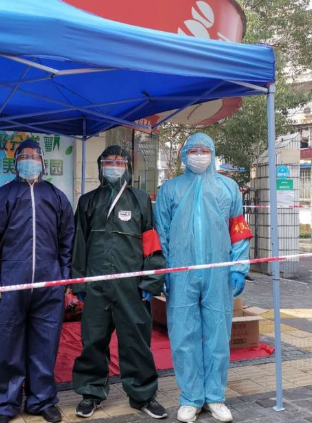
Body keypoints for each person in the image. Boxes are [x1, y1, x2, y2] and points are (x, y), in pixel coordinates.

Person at [154, 133, 251, 423]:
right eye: (193, 150)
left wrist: (238, 267)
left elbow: (239, 230)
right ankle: (191, 398)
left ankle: (215, 397)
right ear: (184, 154)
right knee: (183, 335)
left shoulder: (229, 188)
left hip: (218, 272)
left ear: (213, 153)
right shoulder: (169, 190)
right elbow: (161, 233)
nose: (199, 155)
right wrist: (164, 270)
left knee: (218, 334)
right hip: (181, 272)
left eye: (204, 150)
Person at [0, 138, 75, 423]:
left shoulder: (56, 197)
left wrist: (64, 278)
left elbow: (68, 240)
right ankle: (4, 404)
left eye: (34, 156)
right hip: (11, 282)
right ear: (15, 162)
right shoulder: (1, 196)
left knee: (45, 343)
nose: (29, 160)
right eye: (24, 156)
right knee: (7, 344)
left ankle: (41, 400)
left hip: (49, 283)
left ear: (42, 162)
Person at [71, 145, 167, 420]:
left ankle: (143, 395)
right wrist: (79, 283)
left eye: (119, 161)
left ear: (127, 166)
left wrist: (150, 281)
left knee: (136, 342)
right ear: (100, 165)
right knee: (93, 340)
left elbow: (152, 243)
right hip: (96, 285)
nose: (114, 165)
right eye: (108, 161)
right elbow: (79, 245)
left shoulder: (140, 200)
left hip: (131, 287)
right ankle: (91, 393)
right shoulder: (87, 201)